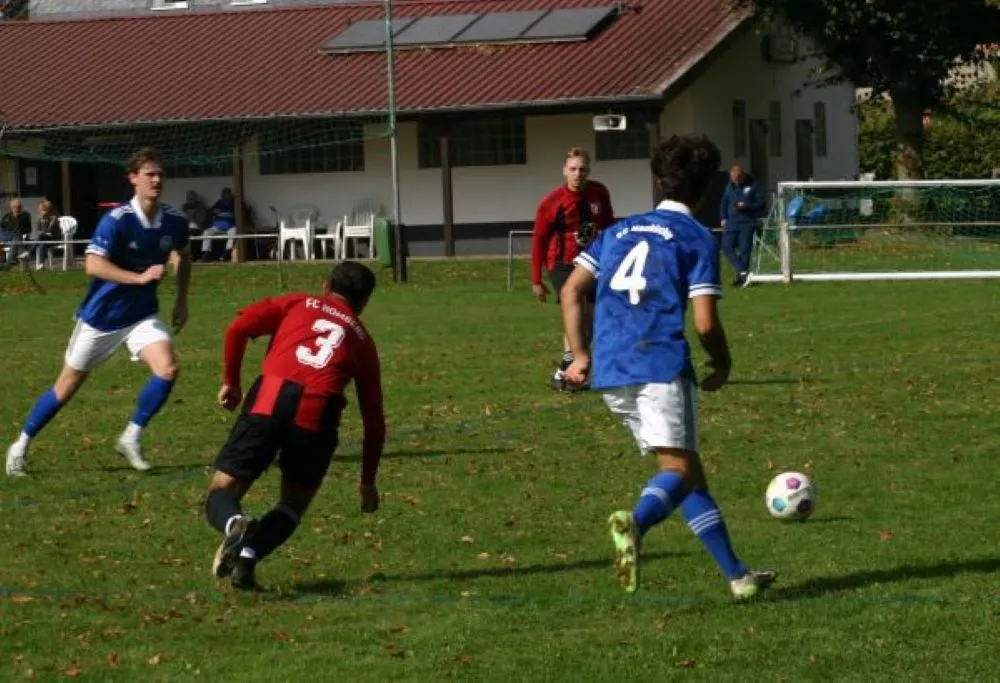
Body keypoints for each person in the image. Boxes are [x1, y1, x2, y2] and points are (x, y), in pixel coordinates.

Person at [559, 134, 775, 600]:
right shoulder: (696, 237)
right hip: (659, 364)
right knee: (678, 471)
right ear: (707, 188)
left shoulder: (619, 230)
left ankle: (738, 576)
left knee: (685, 471)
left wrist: (579, 356)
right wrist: (722, 360)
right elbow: (704, 322)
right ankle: (633, 526)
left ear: (659, 180)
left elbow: (571, 290)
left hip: (614, 371)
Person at [5, 148, 191, 477]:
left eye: (160, 174)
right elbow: (92, 264)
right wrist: (138, 277)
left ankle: (130, 437)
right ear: (133, 178)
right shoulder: (117, 220)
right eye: (149, 174)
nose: (157, 180)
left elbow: (183, 255)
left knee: (168, 367)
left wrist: (181, 300)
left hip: (141, 316)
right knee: (65, 387)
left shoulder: (174, 220)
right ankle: (20, 446)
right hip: (101, 318)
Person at [203, 261, 385, 590]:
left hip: (272, 394)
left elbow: (237, 328)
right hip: (319, 410)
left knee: (223, 488)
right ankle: (247, 558)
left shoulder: (298, 302)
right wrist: (367, 481)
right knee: (293, 503)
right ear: (364, 302)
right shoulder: (362, 339)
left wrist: (231, 381)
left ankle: (234, 524)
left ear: (326, 285)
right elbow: (374, 418)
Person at [531, 147, 615, 391]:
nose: (578, 174)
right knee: (575, 305)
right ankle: (572, 366)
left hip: (591, 262)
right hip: (562, 264)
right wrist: (536, 279)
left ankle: (567, 373)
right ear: (564, 171)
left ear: (588, 170)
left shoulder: (599, 193)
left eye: (583, 169)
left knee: (587, 322)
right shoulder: (551, 202)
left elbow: (608, 225)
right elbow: (539, 240)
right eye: (573, 169)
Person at [719, 164, 765, 286]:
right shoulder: (729, 186)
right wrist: (723, 217)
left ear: (743, 175)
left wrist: (746, 206)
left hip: (747, 223)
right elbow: (724, 202)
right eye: (733, 179)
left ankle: (741, 279)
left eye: (738, 179)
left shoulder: (754, 185)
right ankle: (742, 270)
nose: (736, 181)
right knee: (726, 247)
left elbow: (761, 204)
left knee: (745, 251)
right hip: (731, 223)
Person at [201, 188, 238, 262]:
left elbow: (241, 212)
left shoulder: (235, 203)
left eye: (228, 195)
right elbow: (209, 212)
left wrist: (231, 214)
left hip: (230, 226)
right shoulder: (219, 203)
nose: (226, 197)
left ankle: (226, 252)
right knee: (207, 232)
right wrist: (214, 212)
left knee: (233, 232)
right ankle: (206, 253)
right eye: (224, 195)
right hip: (217, 226)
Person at [28, 198, 62, 271]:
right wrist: (41, 220)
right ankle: (41, 265)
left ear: (47, 210)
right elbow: (38, 229)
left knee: (41, 236)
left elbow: (49, 230)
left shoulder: (54, 218)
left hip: (54, 238)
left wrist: (43, 222)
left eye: (43, 210)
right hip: (44, 238)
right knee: (42, 243)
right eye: (40, 210)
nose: (41, 212)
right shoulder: (40, 218)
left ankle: (30, 252)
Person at [0, 198, 31, 268]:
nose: (15, 208)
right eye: (13, 207)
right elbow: (2, 226)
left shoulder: (25, 215)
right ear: (11, 207)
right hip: (6, 235)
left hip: (18, 234)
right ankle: (3, 262)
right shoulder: (7, 215)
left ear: (20, 207)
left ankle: (8, 264)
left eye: (17, 207)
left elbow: (27, 229)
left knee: (16, 237)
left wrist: (17, 216)